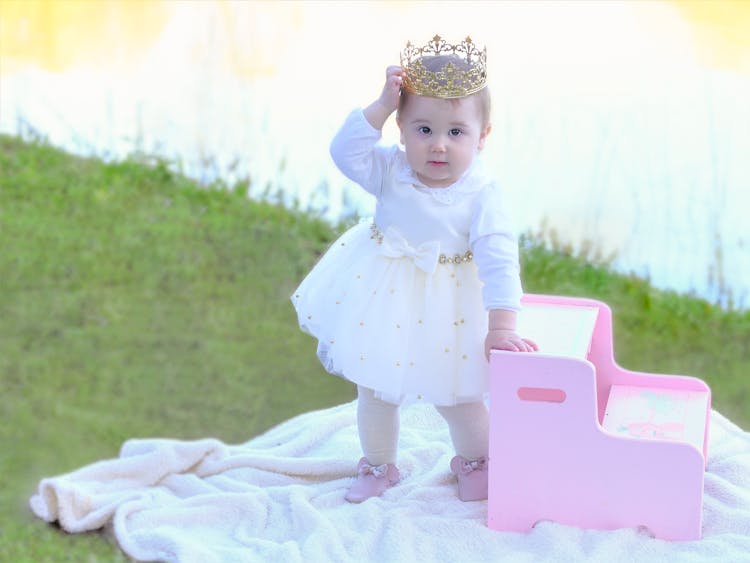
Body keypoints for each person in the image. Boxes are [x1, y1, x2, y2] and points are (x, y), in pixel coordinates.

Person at [292, 35, 537, 503]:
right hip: (386, 298)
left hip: (453, 308)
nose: (438, 146)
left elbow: (501, 260)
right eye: (423, 130)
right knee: (377, 390)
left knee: (459, 396)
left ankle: (478, 462)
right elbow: (345, 152)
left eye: (456, 132)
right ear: (401, 129)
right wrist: (380, 106)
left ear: (483, 137)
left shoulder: (482, 193)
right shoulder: (390, 170)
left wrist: (501, 325)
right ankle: (380, 467)